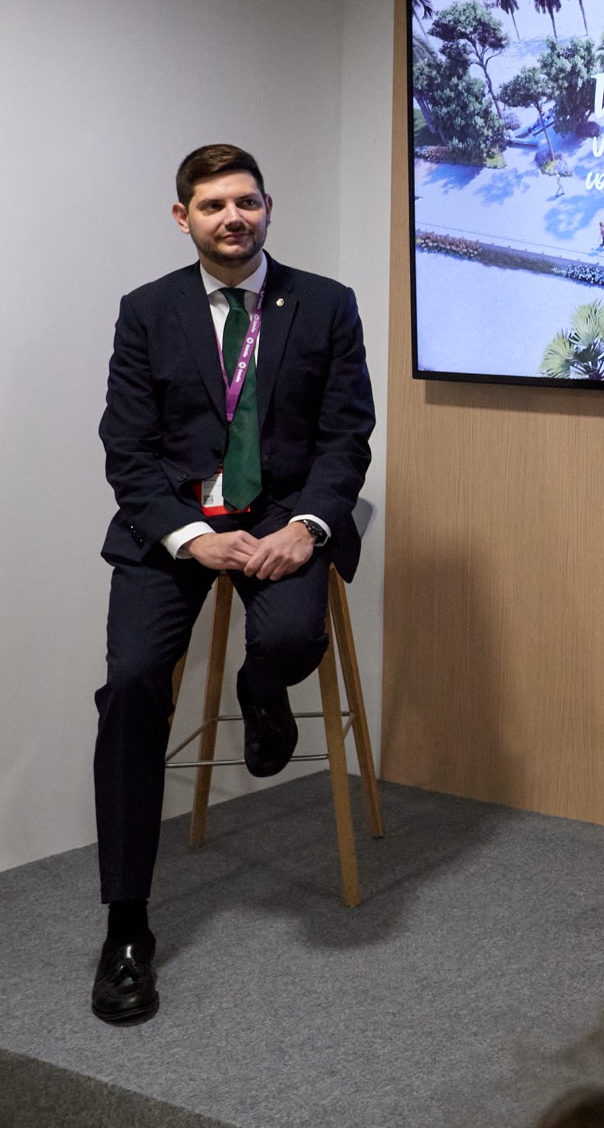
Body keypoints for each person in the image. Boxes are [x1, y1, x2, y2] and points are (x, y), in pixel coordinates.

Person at [91, 144, 375, 1026]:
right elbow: (126, 448)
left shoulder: (325, 304)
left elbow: (347, 435)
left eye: (246, 202)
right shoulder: (148, 312)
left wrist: (308, 526)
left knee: (288, 640)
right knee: (134, 687)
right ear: (184, 218)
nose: (232, 218)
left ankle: (261, 692)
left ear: (268, 208)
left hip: (284, 514)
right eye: (212, 206)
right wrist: (185, 536)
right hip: (174, 529)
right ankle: (128, 927)